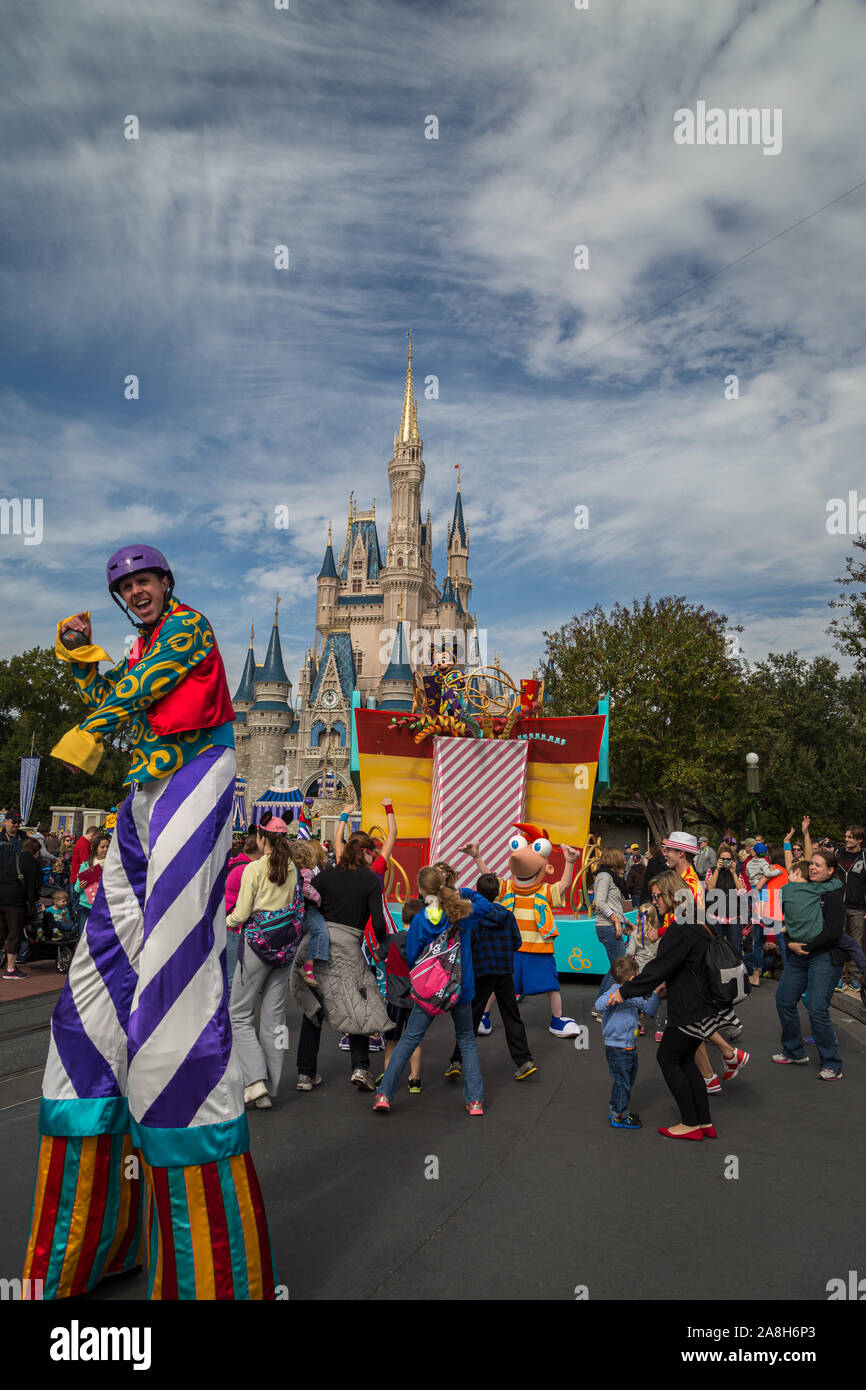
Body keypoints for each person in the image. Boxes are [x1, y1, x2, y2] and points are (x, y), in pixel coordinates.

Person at [22, 544, 276, 1302]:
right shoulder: (144, 644)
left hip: (197, 772)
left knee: (175, 957)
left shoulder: (189, 630)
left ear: (167, 583)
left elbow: (151, 684)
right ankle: (97, 1239)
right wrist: (83, 663)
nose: (136, 591)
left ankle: (206, 1270)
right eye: (125, 585)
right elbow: (132, 683)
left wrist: (94, 723)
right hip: (146, 787)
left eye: (144, 581)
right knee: (102, 969)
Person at [610, 871, 740, 1141]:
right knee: (685, 1060)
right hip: (703, 1003)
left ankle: (690, 1122)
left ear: (670, 894)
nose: (654, 901)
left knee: (667, 1058)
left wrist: (625, 990)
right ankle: (703, 1121)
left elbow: (658, 968)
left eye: (657, 896)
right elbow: (692, 961)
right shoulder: (697, 919)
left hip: (688, 1006)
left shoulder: (680, 927)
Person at [373, 865, 484, 1115]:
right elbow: (487, 906)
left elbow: (412, 955)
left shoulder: (421, 920)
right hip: (461, 987)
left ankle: (384, 1095)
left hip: (430, 990)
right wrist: (463, 891)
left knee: (409, 1039)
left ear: (422, 891)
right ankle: (475, 1100)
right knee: (466, 1040)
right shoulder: (462, 912)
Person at [290, 831, 391, 1092]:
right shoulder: (370, 881)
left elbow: (308, 903)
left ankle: (305, 1073)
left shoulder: (327, 875)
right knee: (357, 1006)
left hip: (317, 943)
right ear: (367, 853)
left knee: (314, 1008)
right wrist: (384, 945)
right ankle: (360, 1067)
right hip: (348, 945)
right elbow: (378, 922)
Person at [460, 825, 580, 1037]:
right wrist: (477, 857)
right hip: (511, 950)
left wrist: (570, 862)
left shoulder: (545, 890)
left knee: (552, 986)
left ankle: (557, 1020)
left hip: (539, 949)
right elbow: (489, 880)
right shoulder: (506, 888)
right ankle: (483, 1018)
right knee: (496, 987)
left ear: (548, 868)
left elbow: (564, 884)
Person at [227, 818, 302, 1109]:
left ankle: (255, 1081)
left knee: (239, 1014)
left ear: (261, 838)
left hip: (257, 945)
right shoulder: (292, 868)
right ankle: (270, 1084)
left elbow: (242, 912)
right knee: (274, 1018)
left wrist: (225, 922)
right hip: (285, 948)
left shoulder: (254, 869)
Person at [445, 872, 536, 1083]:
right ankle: (524, 1060)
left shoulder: (473, 916)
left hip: (481, 970)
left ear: (477, 892)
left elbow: (468, 942)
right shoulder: (507, 915)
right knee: (511, 1015)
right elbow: (517, 942)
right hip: (504, 970)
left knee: (471, 1016)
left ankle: (456, 1061)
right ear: (498, 892)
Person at [773, 847, 846, 1078]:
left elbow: (834, 931)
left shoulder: (833, 893)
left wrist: (804, 946)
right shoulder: (797, 890)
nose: (812, 867)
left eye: (818, 865)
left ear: (831, 870)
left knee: (817, 1008)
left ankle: (832, 1064)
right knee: (784, 1000)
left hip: (824, 955)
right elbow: (788, 921)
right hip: (799, 954)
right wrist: (789, 941)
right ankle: (794, 1051)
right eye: (811, 863)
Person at [596, 958, 661, 1129]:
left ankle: (618, 1108)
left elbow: (649, 1010)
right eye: (638, 976)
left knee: (627, 1079)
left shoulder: (636, 995)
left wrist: (655, 994)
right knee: (622, 1081)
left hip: (630, 1044)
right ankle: (618, 1114)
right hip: (616, 1046)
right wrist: (612, 999)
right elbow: (599, 1004)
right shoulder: (614, 991)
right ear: (632, 978)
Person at [377, 897, 425, 1093]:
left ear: (403, 917)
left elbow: (379, 956)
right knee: (414, 1040)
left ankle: (389, 1077)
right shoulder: (422, 943)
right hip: (416, 999)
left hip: (395, 999)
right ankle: (414, 1079)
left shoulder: (392, 940)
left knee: (391, 1041)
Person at [0, 831, 41, 979]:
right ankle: (10, 969)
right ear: (36, 851)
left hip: (1, 896)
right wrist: (35, 903)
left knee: (1, 932)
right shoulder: (34, 862)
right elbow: (35, 886)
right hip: (16, 901)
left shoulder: (13, 857)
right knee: (14, 934)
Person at [291, 838, 331, 987]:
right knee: (321, 932)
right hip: (309, 909)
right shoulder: (306, 872)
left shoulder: (293, 872)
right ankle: (309, 967)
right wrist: (318, 897)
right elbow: (306, 888)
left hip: (299, 910)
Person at [225, 831, 262, 988]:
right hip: (235, 926)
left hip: (230, 921)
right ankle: (231, 1012)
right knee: (233, 977)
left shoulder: (236, 862)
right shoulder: (246, 869)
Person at [836, 825, 865, 991]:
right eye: (846, 836)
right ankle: (838, 976)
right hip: (838, 904)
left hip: (858, 906)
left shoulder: (864, 857)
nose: (847, 840)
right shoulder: (838, 854)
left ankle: (854, 976)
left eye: (851, 837)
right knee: (837, 939)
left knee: (856, 942)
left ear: (859, 839)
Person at [593, 847, 632, 970]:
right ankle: (610, 990)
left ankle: (605, 991)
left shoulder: (609, 876)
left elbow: (612, 905)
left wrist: (625, 921)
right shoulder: (605, 876)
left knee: (615, 969)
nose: (624, 861)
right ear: (614, 859)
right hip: (608, 926)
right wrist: (616, 920)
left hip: (609, 926)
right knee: (619, 969)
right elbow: (600, 902)